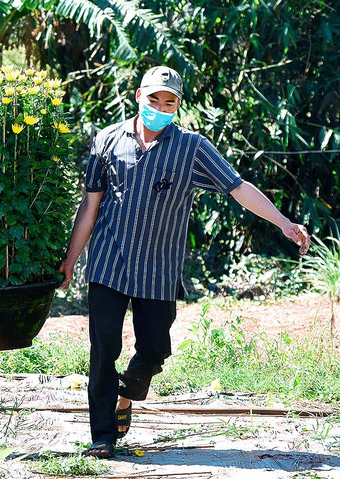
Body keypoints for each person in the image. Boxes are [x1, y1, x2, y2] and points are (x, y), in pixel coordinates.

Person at [57, 66, 310, 459]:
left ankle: (130, 392)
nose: (160, 106)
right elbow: (91, 203)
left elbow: (238, 188)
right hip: (107, 262)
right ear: (138, 96)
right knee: (103, 349)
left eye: (169, 101)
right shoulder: (107, 140)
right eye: (154, 98)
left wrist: (283, 222)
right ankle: (102, 437)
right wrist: (71, 260)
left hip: (158, 269)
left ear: (178, 105)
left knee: (155, 349)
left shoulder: (192, 147)